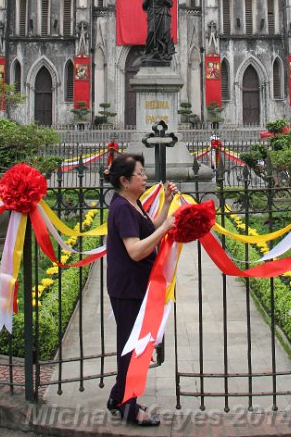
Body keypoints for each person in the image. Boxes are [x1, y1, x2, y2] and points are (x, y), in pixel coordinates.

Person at [105, 153, 177, 426]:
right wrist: (166, 228)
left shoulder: (133, 204)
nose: (146, 177)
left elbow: (149, 229)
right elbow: (135, 250)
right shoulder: (122, 208)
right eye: (140, 174)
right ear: (124, 180)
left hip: (138, 285)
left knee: (133, 343)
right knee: (132, 346)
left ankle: (117, 397)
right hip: (128, 286)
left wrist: (167, 205)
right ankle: (129, 406)